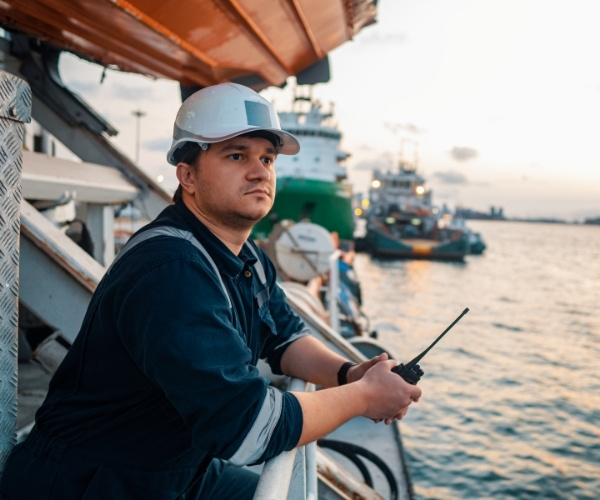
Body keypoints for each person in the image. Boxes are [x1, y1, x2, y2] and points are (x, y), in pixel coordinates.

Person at [0, 83, 421, 499]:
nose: (260, 172)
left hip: (175, 469)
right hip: (91, 482)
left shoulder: (245, 255)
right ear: (188, 175)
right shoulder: (171, 270)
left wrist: (349, 374)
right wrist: (363, 397)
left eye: (267, 158)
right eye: (237, 155)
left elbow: (284, 336)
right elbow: (247, 428)